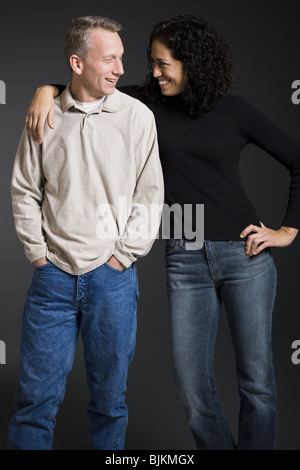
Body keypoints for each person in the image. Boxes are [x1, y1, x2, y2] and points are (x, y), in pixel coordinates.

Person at [25, 15, 300, 450]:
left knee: (258, 384)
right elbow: (82, 85)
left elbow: (296, 159)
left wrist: (287, 230)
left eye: (162, 63)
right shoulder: (144, 105)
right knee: (193, 390)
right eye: (151, 63)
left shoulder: (236, 110)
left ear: (190, 62)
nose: (152, 72)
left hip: (244, 256)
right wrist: (43, 90)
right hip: (185, 255)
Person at [8, 15, 164, 450]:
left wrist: (122, 257)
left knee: (110, 403)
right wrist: (38, 254)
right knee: (34, 403)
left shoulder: (137, 117)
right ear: (77, 63)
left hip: (112, 280)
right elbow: (24, 188)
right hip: (52, 279)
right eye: (109, 58)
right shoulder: (46, 112)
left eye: (122, 59)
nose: (120, 69)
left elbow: (149, 196)